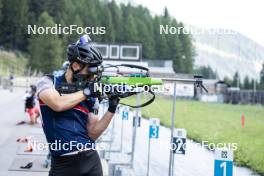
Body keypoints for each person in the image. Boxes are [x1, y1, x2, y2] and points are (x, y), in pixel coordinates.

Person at [36, 35, 119, 176]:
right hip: (62, 163)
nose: (92, 78)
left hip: (90, 160)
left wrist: (112, 108)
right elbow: (57, 104)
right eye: (90, 72)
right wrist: (87, 92)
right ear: (75, 66)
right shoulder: (48, 82)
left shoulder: (88, 96)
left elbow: (92, 133)